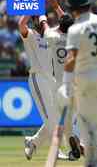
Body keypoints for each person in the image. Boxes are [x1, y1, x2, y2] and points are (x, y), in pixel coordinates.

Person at [58, 0, 97, 166]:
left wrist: (67, 86)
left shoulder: (75, 28)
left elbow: (71, 59)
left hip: (86, 79)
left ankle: (92, 161)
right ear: (88, 5)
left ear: (74, 10)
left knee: (88, 121)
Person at [40, 0, 79, 160]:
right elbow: (68, 23)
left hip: (59, 87)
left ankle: (75, 146)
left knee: (64, 121)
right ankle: (80, 144)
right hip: (76, 84)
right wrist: (56, 6)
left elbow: (44, 25)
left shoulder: (53, 37)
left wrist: (40, 10)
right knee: (79, 117)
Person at [18, 15, 61, 160]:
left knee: (55, 116)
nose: (42, 22)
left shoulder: (50, 34)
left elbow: (67, 24)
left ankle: (33, 142)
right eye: (39, 19)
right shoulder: (30, 35)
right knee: (49, 118)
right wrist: (33, 8)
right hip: (38, 77)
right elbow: (21, 24)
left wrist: (55, 6)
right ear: (34, 21)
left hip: (51, 79)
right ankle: (56, 149)